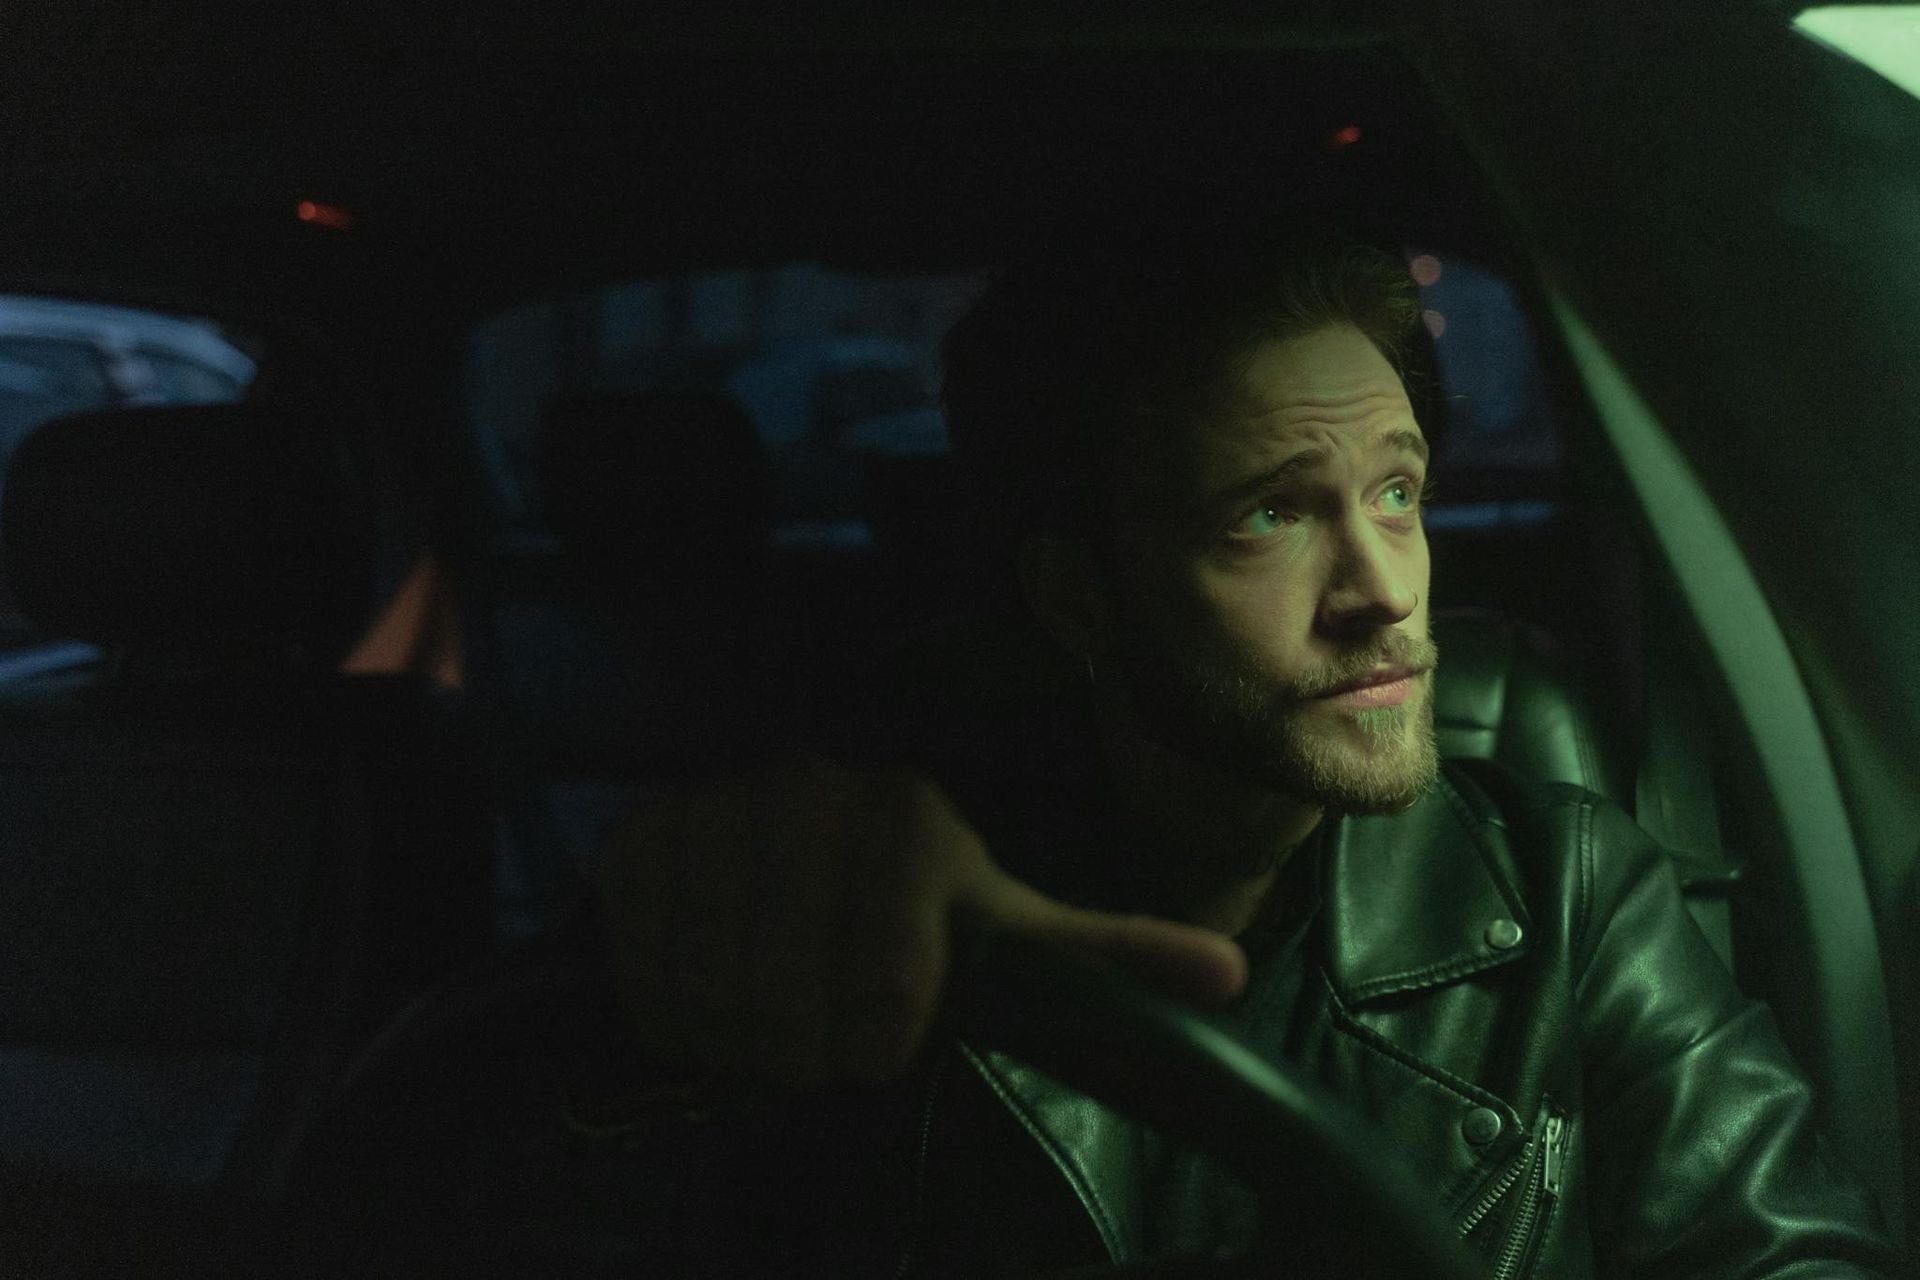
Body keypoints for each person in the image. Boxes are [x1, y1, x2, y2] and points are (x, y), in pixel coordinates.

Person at [392, 210, 1903, 1278]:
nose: (1385, 589)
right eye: (1269, 513)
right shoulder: (868, 919)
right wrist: (648, 992)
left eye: (1398, 491)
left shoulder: (1569, 899)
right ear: (1081, 597)